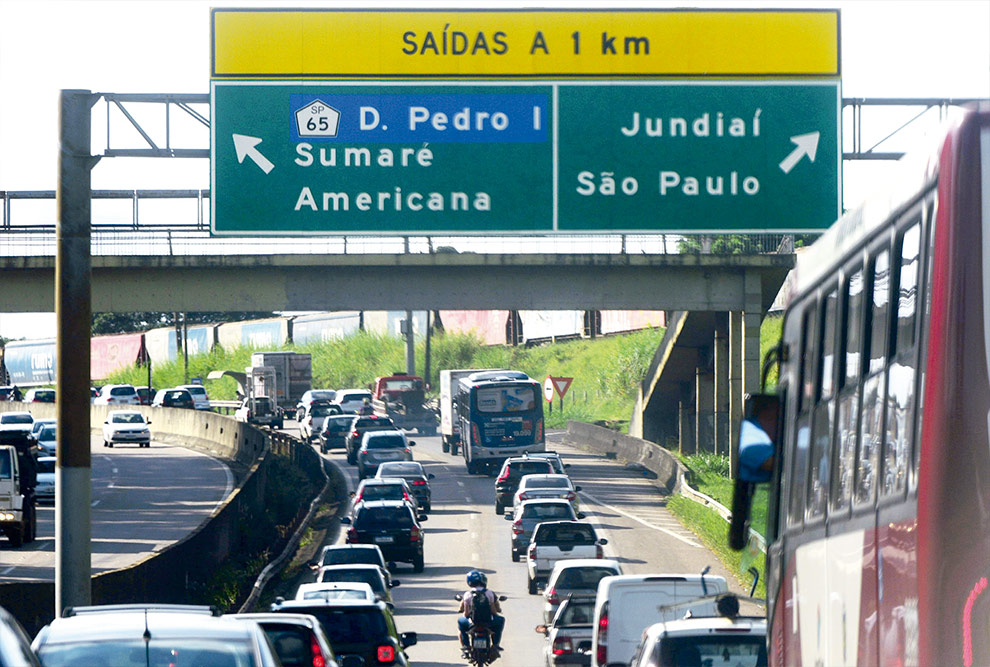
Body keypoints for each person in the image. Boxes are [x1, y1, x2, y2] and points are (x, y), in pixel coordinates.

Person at [457, 570, 504, 654]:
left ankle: (466, 646)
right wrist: (496, 616)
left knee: (460, 623)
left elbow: (466, 614)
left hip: (473, 622)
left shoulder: (467, 594)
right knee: (501, 620)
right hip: (487, 622)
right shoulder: (489, 593)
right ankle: (495, 644)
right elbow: (493, 611)